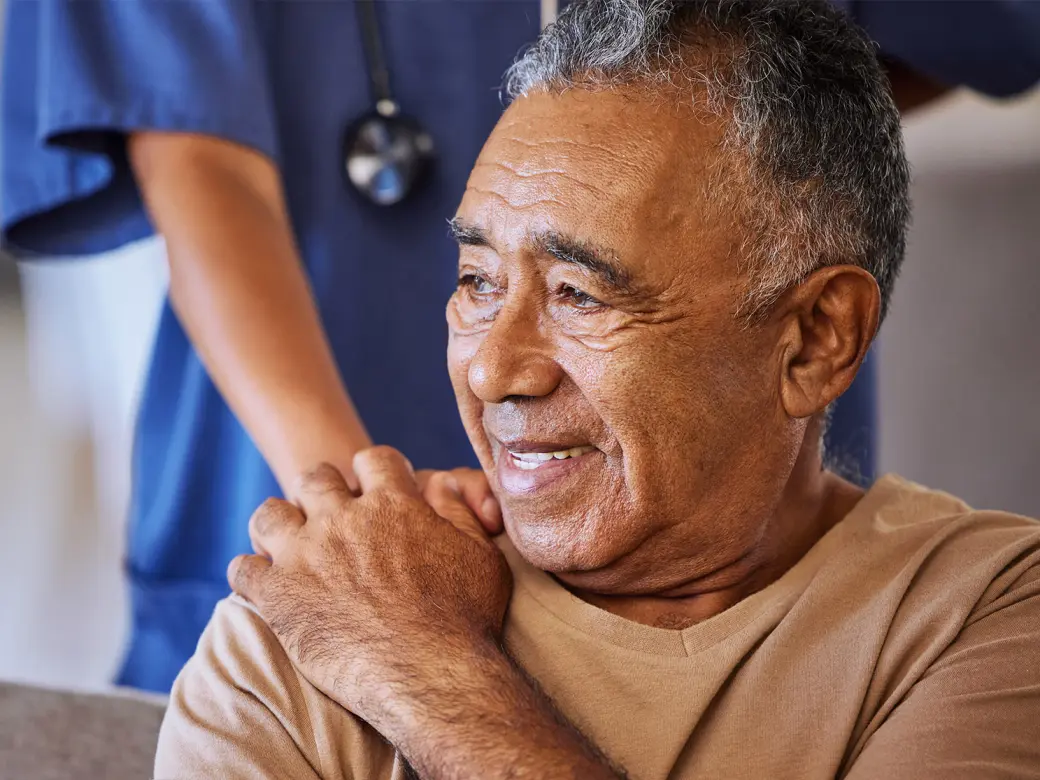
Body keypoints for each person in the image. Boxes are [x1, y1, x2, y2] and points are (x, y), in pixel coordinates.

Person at [154, 2, 1040, 778]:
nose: (494, 370)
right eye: (476, 283)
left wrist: (424, 670)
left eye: (580, 294)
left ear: (814, 339)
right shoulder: (309, 629)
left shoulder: (987, 616)